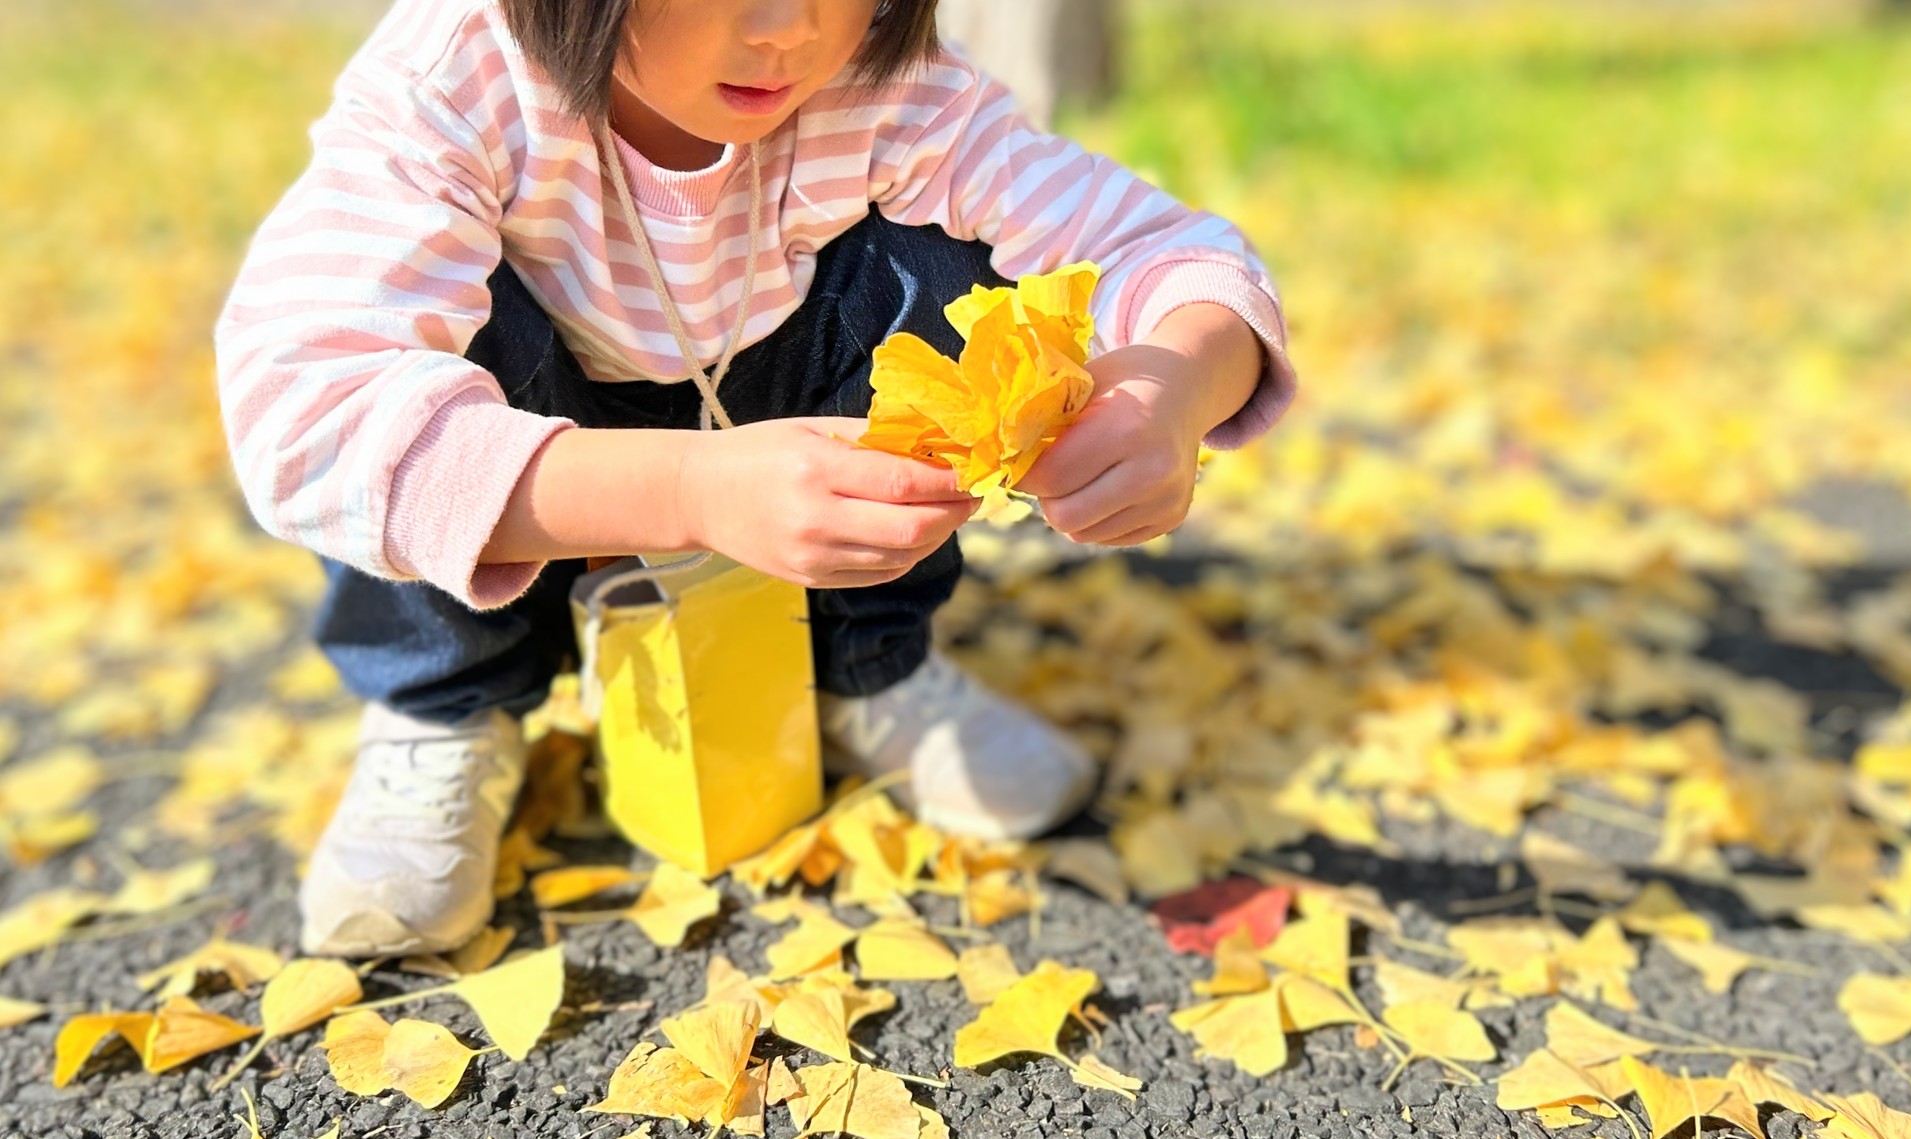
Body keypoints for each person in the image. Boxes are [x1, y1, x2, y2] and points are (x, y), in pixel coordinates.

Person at [215, 0, 1296, 957]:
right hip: (539, 447)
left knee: (951, 266)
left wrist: (1171, 388)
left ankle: (865, 661)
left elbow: (1167, 253)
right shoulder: (452, 84)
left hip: (786, 397)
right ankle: (442, 709)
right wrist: (692, 490)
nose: (788, 28)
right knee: (408, 356)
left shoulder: (882, 78)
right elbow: (311, 413)